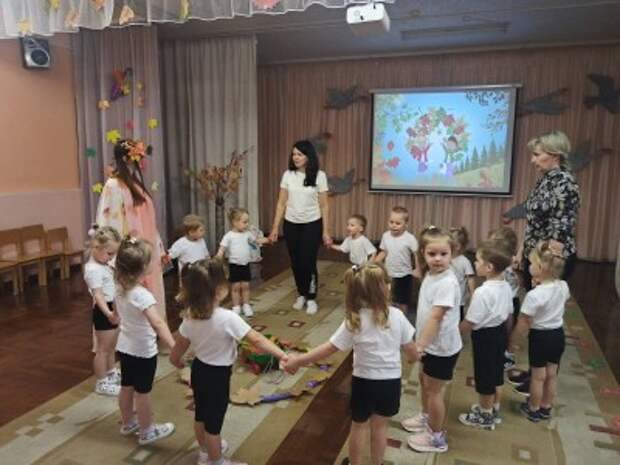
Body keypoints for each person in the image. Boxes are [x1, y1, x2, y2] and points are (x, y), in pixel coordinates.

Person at [282, 263, 418, 465]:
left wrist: (298, 360)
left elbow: (329, 348)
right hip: (390, 383)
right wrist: (414, 357)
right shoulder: (397, 316)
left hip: (364, 383)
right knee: (380, 427)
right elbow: (411, 350)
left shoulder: (354, 320)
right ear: (385, 288)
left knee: (359, 426)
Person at [169, 259, 287, 465]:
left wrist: (175, 361)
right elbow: (257, 339)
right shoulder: (227, 318)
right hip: (217, 376)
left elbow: (178, 348)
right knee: (213, 424)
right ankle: (216, 461)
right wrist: (282, 355)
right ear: (220, 290)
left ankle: (204, 452)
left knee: (201, 414)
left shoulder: (189, 317)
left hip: (199, 370)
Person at [511, 130, 580, 394]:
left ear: (555, 155)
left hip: (549, 262)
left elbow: (560, 232)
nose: (532, 160)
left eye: (537, 154)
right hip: (535, 257)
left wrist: (545, 269)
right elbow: (533, 224)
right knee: (536, 317)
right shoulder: (545, 179)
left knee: (544, 321)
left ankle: (540, 379)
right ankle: (534, 372)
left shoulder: (565, 183)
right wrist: (521, 251)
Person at [401, 226, 461, 454]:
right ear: (423, 254)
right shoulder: (431, 274)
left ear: (452, 254)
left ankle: (436, 438)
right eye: (432, 254)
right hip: (430, 344)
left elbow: (436, 317)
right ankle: (427, 417)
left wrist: (420, 346)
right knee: (424, 382)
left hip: (441, 347)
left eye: (443, 254)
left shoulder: (447, 282)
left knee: (434, 391)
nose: (437, 259)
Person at [96, 139, 167, 322]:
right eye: (137, 157)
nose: (139, 161)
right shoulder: (113, 184)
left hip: (145, 245)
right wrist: (116, 253)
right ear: (127, 158)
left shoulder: (134, 182)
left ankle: (151, 326)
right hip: (130, 250)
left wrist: (158, 247)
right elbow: (109, 221)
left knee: (149, 294)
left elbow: (149, 221)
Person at [114, 237, 176, 445]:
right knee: (143, 392)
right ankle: (147, 431)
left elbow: (117, 314)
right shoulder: (142, 295)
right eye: (152, 260)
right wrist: (174, 346)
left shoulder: (119, 288)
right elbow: (158, 323)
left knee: (127, 386)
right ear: (142, 268)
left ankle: (127, 423)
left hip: (125, 347)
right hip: (143, 351)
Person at [268, 140, 332, 315]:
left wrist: (326, 231)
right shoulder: (288, 175)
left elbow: (324, 205)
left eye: (300, 154)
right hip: (291, 224)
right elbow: (281, 203)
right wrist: (275, 227)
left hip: (312, 224)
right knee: (296, 262)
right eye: (294, 154)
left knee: (307, 261)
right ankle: (301, 293)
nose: (295, 157)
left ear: (308, 156)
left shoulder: (320, 176)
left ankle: (311, 297)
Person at [509, 241, 569, 422]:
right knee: (551, 375)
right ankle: (545, 407)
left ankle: (533, 408)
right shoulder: (563, 286)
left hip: (540, 337)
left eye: (531, 264)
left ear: (541, 268)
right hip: (558, 336)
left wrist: (513, 341)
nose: (528, 266)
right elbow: (558, 298)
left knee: (537, 377)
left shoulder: (534, 296)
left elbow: (524, 322)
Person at [458, 241, 513, 430]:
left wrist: (455, 332)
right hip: (500, 333)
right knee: (496, 372)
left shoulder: (482, 292)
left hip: (485, 337)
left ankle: (485, 414)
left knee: (484, 376)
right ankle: (493, 407)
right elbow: (509, 313)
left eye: (478, 260)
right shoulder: (506, 286)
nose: (475, 263)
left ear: (489, 267)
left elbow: (471, 321)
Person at [84, 225, 122, 396]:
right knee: (103, 349)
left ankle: (111, 373)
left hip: (112, 308)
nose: (111, 257)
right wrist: (108, 313)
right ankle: (101, 382)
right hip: (104, 311)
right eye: (109, 253)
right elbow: (98, 295)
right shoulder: (93, 270)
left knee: (112, 347)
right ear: (96, 247)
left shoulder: (103, 264)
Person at [216, 208, 270, 317]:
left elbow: (256, 240)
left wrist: (267, 240)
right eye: (244, 222)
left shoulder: (247, 234)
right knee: (235, 287)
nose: (247, 224)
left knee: (245, 286)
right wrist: (218, 257)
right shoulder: (229, 236)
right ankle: (236, 306)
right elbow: (222, 248)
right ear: (235, 222)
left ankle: (246, 305)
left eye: (247, 221)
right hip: (234, 265)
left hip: (245, 264)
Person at [488, 226, 521, 370]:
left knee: (508, 330)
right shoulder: (501, 261)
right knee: (500, 330)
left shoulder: (510, 264)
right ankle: (500, 351)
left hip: (510, 302)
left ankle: (508, 355)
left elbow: (519, 281)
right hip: (502, 300)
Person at [374, 206, 418, 312]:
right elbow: (384, 251)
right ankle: (388, 316)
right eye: (391, 222)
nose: (394, 225)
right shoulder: (385, 236)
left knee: (402, 300)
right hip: (388, 273)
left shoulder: (410, 238)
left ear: (406, 224)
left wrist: (418, 269)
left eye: (398, 223)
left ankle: (402, 317)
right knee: (387, 296)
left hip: (404, 274)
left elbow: (416, 254)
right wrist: (375, 262)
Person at [449, 226, 475, 321]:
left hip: (458, 300)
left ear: (457, 246)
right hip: (445, 296)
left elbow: (470, 279)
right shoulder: (445, 258)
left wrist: (473, 294)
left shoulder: (464, 261)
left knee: (457, 321)